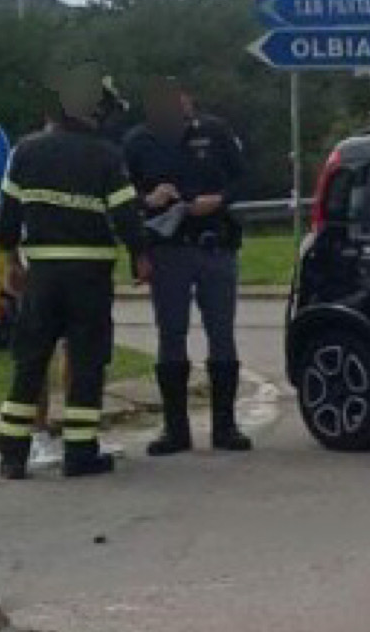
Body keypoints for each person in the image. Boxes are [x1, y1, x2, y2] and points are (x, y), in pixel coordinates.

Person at [0, 62, 146, 480]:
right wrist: (140, 254)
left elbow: (7, 217)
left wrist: (11, 263)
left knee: (30, 361)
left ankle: (12, 454)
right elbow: (126, 215)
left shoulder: (25, 151)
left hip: (41, 273)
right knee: (85, 362)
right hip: (89, 276)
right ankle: (80, 453)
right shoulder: (106, 155)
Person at [124, 77, 252, 455]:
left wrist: (220, 199)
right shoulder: (137, 142)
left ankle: (225, 428)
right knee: (171, 335)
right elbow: (120, 194)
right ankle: (175, 430)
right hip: (167, 249)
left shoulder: (214, 132)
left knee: (221, 333)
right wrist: (150, 199)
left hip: (215, 244)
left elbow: (244, 178)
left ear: (187, 100)